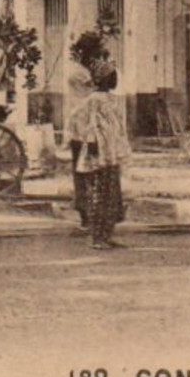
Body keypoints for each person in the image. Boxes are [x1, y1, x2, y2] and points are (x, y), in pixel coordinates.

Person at [68, 62, 130, 249]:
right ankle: (98, 238)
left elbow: (117, 126)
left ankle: (107, 235)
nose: (115, 79)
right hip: (99, 154)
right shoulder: (93, 99)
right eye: (112, 76)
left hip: (111, 153)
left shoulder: (112, 99)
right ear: (103, 79)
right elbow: (80, 119)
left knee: (112, 196)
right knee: (100, 196)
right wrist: (90, 141)